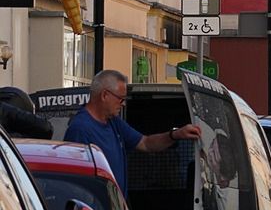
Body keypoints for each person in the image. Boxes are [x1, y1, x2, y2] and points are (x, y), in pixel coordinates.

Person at [64, 69, 201, 192]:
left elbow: (146, 143)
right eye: (120, 99)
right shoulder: (80, 129)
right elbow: (77, 184)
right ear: (105, 95)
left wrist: (176, 134)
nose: (123, 104)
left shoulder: (114, 122)